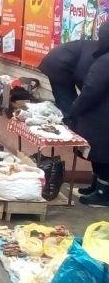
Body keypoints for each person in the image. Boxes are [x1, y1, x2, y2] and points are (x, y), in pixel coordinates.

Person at [68, 23, 109, 206]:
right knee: (101, 155)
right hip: (102, 116)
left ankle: (102, 193)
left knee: (102, 155)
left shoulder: (105, 61)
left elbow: (90, 90)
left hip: (101, 119)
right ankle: (96, 185)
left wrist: (74, 109)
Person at [38, 37, 98, 119]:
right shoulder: (93, 53)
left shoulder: (96, 49)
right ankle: (69, 125)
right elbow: (83, 76)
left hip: (63, 64)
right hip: (58, 64)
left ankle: (69, 122)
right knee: (66, 102)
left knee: (68, 102)